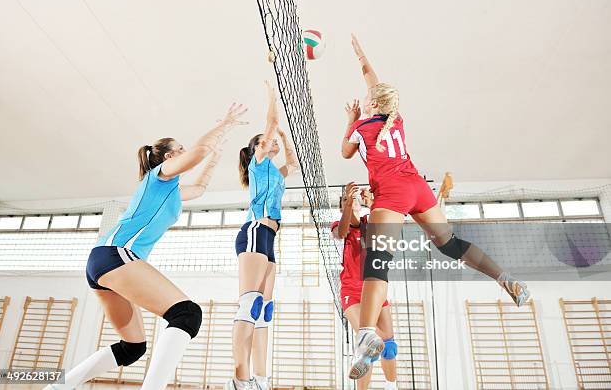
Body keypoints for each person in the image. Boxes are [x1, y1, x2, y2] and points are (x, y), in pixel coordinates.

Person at [342, 34, 531, 379]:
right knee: (451, 245)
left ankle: (367, 334)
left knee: (378, 262)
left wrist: (352, 117)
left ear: (370, 105)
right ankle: (505, 278)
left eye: (368, 98)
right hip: (418, 187)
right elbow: (375, 81)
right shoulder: (394, 119)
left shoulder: (361, 125)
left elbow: (344, 152)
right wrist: (363, 59)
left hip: (394, 193)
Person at [46, 103, 248, 390]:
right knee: (187, 313)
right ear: (169, 156)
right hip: (116, 255)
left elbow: (200, 188)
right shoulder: (159, 176)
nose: (185, 150)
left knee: (133, 347)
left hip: (104, 262)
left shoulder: (172, 192)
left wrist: (214, 156)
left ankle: (58, 386)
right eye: (181, 148)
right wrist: (224, 124)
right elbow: (198, 153)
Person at [226, 82, 299, 390]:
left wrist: (283, 137)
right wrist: (272, 96)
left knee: (265, 312)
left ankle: (262, 380)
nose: (272, 144)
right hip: (255, 231)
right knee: (250, 306)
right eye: (267, 142)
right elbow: (269, 124)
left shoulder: (274, 171)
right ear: (257, 148)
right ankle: (239, 379)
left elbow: (293, 164)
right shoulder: (258, 165)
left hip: (269, 239)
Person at [332, 183, 397, 390]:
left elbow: (387, 225)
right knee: (370, 340)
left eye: (353, 200)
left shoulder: (371, 222)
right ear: (343, 207)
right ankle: (363, 357)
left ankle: (391, 385)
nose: (350, 202)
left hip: (376, 287)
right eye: (345, 201)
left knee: (389, 346)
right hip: (352, 291)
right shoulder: (338, 225)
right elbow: (342, 232)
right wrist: (349, 203)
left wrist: (374, 203)